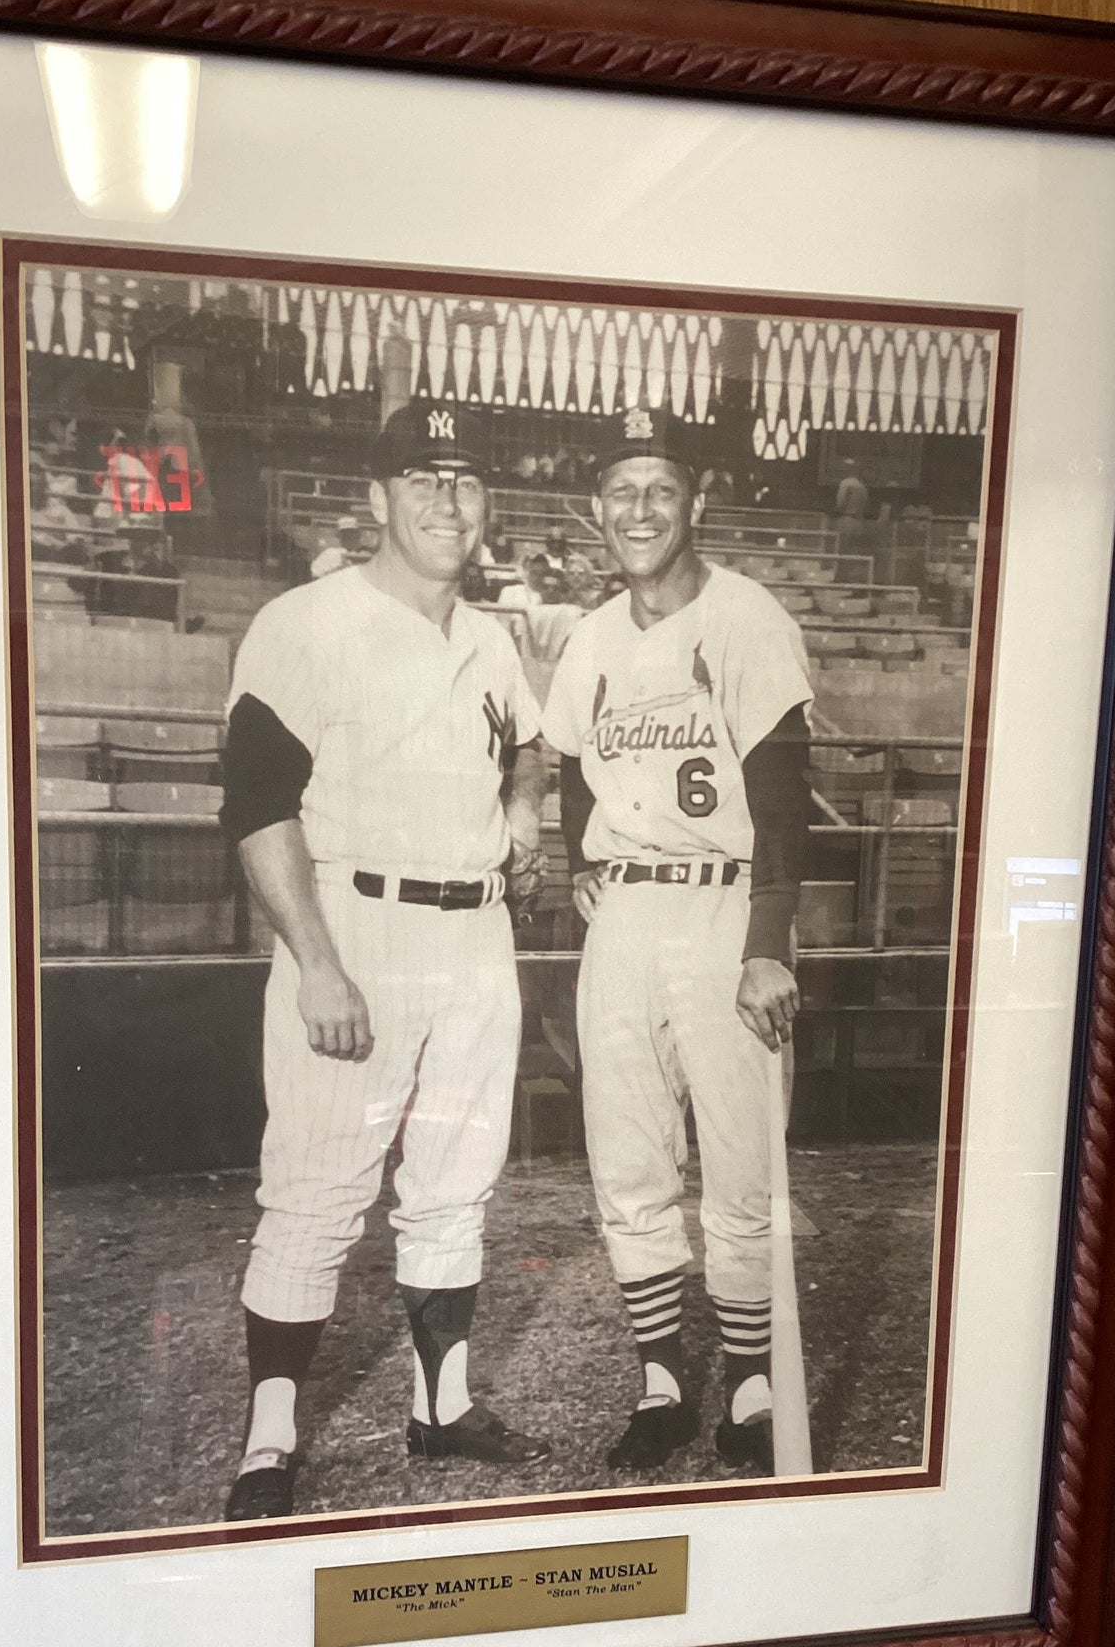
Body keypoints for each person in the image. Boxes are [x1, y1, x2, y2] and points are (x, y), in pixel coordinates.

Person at [219, 400, 552, 1521]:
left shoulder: (492, 636)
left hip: (472, 934)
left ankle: (440, 1406)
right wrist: (313, 962)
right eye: (422, 478)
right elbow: (257, 808)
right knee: (315, 1188)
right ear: (375, 498)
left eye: (464, 480)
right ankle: (270, 1437)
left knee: (455, 1185)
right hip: (352, 924)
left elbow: (526, 750)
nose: (447, 500)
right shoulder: (305, 621)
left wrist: (523, 823)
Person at [540, 407, 813, 1477]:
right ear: (594, 511)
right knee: (627, 1147)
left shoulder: (745, 617)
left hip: (720, 902)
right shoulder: (593, 635)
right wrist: (575, 861)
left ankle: (745, 1383)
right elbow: (568, 763)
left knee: (741, 1152)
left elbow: (785, 794)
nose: (639, 510)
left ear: (695, 501)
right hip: (626, 911)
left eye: (659, 489)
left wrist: (766, 941)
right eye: (620, 492)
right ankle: (659, 1377)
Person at [310, 513, 360, 579]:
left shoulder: (365, 556)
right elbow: (315, 574)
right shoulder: (330, 553)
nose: (349, 537)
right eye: (345, 534)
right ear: (339, 536)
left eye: (352, 533)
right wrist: (338, 569)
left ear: (358, 536)